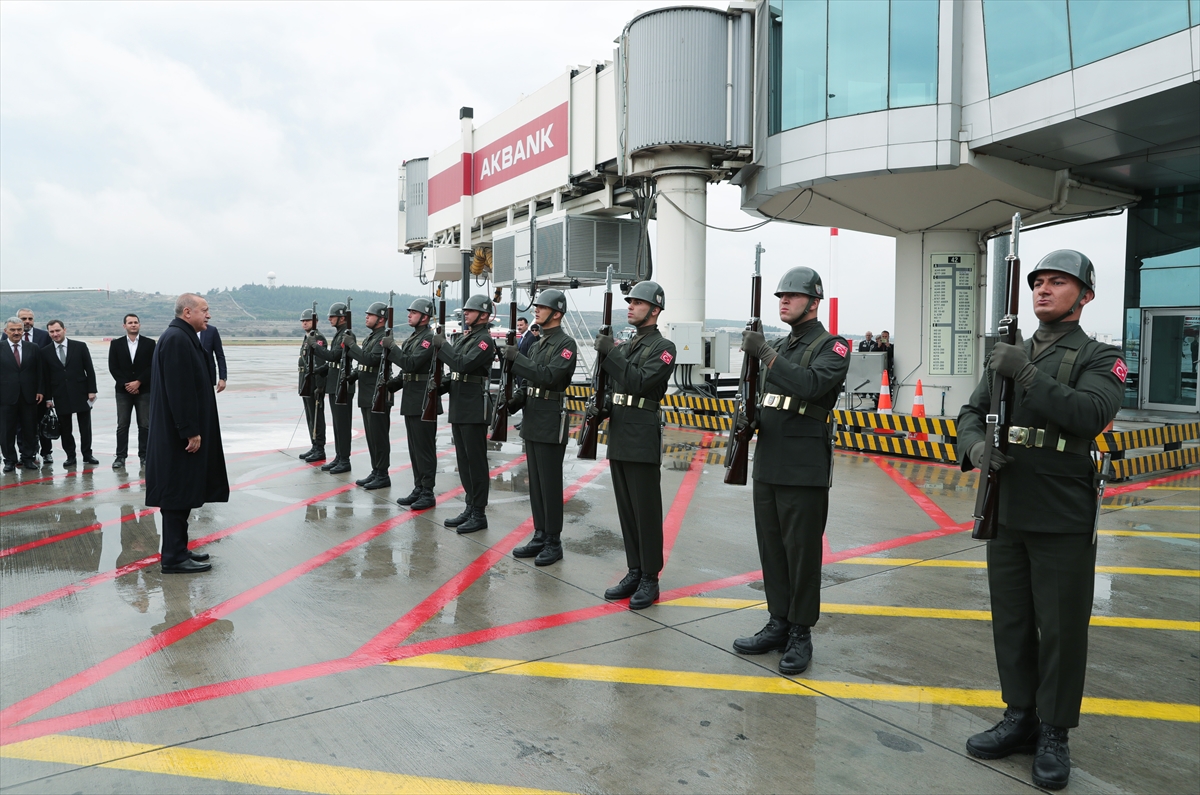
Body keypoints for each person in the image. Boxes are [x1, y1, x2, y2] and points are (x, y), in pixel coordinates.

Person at [957, 250, 1123, 791]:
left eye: (1059, 282)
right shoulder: (1010, 350)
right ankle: (1019, 716)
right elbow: (968, 414)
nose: (1044, 291)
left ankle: (1054, 731)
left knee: (1061, 629)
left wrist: (1025, 373)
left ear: (1085, 295)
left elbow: (1089, 415)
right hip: (1006, 503)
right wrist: (977, 448)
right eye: (1039, 283)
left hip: (1060, 508)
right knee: (1011, 621)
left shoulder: (1101, 357)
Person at [733, 266, 849, 676]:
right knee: (773, 549)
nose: (783, 300)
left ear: (813, 302)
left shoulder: (831, 346)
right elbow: (767, 398)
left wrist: (765, 354)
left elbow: (811, 386)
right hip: (770, 459)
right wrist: (748, 422)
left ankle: (801, 632)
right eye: (780, 295)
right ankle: (778, 621)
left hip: (804, 465)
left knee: (802, 553)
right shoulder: (783, 343)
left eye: (792, 296)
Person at [593, 280, 675, 606]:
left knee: (646, 510)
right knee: (627, 509)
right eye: (629, 302)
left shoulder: (663, 347)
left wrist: (610, 352)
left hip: (641, 433)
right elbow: (616, 385)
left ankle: (650, 577)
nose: (630, 306)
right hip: (621, 430)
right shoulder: (628, 345)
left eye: (637, 303)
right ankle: (634, 569)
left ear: (654, 310)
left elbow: (638, 382)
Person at [145, 294, 230, 574]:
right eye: (204, 310)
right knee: (176, 495)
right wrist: (190, 431)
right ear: (187, 312)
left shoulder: (181, 336)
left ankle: (179, 549)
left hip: (178, 434)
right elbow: (179, 391)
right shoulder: (177, 339)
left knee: (182, 493)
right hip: (176, 437)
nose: (208, 315)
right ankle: (172, 557)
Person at [504, 289, 579, 565]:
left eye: (542, 307)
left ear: (557, 313)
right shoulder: (537, 344)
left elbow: (548, 377)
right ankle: (539, 535)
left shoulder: (566, 344)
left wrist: (517, 359)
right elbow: (528, 383)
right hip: (534, 416)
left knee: (549, 483)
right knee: (535, 483)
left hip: (550, 418)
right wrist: (512, 402)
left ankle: (553, 541)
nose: (536, 310)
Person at [433, 293, 497, 534]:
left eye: (470, 311)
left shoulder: (484, 341)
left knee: (476, 462)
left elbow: (461, 364)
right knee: (464, 461)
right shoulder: (466, 337)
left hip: (473, 407)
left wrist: (443, 345)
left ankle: (479, 512)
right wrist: (441, 385)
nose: (465, 314)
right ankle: (470, 506)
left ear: (483, 315)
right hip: (460, 405)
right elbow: (455, 372)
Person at [381, 297, 438, 511]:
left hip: (424, 399)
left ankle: (428, 491)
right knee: (414, 448)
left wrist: (392, 348)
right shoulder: (415, 337)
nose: (408, 315)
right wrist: (390, 385)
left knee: (424, 448)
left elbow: (411, 363)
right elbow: (405, 370)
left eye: (413, 313)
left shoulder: (428, 339)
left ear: (424, 317)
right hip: (412, 398)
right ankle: (418, 486)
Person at [344, 301, 393, 490]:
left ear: (381, 319)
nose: (366, 317)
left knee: (379, 436)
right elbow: (363, 365)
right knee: (372, 436)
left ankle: (383, 474)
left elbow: (370, 360)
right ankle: (376, 470)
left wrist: (352, 347)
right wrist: (351, 376)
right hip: (367, 393)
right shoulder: (372, 337)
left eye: (370, 315)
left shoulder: (383, 338)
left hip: (377, 393)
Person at [41, 320, 98, 468]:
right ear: (49, 333)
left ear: (64, 329)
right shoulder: (45, 351)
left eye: (57, 330)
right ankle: (70, 456)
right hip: (60, 394)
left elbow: (89, 370)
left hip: (81, 392)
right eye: (52, 332)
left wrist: (92, 390)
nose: (55, 334)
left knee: (85, 427)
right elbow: (45, 377)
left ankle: (87, 454)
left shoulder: (80, 346)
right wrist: (48, 398)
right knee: (66, 428)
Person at [309, 302, 356, 475]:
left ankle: (345, 460)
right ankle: (339, 456)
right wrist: (317, 371)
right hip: (334, 384)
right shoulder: (339, 335)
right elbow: (333, 362)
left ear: (343, 317)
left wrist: (315, 347)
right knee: (337, 425)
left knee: (343, 425)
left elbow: (334, 356)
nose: (329, 319)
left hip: (342, 386)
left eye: (333, 316)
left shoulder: (346, 335)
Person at [108, 314, 155, 471]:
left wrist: (139, 382)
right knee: (122, 425)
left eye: (135, 322)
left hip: (144, 390)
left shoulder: (149, 344)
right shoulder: (116, 344)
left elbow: (152, 366)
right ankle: (121, 457)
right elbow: (113, 367)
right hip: (123, 391)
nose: (133, 325)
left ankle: (145, 456)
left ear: (139, 325)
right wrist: (126, 384)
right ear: (124, 326)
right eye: (130, 323)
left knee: (145, 424)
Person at [1, 317, 45, 472]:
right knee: (7, 431)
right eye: (12, 330)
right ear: (6, 331)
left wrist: (40, 390)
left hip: (29, 396)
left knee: (29, 429)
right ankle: (9, 460)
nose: (16, 332)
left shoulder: (32, 347)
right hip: (5, 397)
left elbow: (40, 371)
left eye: (19, 329)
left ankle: (27, 458)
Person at [17, 308, 52, 464]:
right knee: (21, 425)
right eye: (24, 318)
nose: (27, 322)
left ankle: (46, 452)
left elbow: (48, 364)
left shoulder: (44, 336)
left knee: (42, 421)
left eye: (30, 318)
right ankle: (24, 453)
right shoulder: (8, 335)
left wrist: (45, 392)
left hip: (40, 388)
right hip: (18, 390)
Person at [297, 308, 328, 463]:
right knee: (310, 416)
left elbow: (321, 363)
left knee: (316, 416)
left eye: (307, 320)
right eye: (303, 321)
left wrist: (320, 386)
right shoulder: (308, 337)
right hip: (306, 381)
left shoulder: (318, 337)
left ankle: (319, 447)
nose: (304, 323)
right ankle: (314, 445)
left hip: (314, 382)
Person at [198, 324, 227, 392]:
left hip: (207, 376)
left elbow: (220, 356)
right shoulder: (183, 330)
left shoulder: (211, 331)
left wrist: (223, 378)